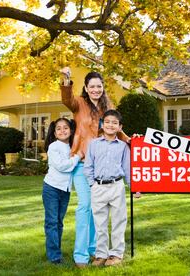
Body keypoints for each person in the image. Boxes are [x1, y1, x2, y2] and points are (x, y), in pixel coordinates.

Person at [60, 68, 129, 267]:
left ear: (103, 87)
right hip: (82, 163)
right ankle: (81, 254)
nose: (96, 89)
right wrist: (66, 79)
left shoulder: (108, 106)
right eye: (92, 86)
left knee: (95, 210)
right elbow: (67, 99)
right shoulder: (78, 103)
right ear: (86, 88)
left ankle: (95, 251)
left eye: (99, 86)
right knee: (85, 207)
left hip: (104, 165)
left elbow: (116, 128)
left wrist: (128, 140)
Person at [83, 109, 130, 267]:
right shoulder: (94, 144)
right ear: (103, 124)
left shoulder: (123, 146)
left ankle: (116, 254)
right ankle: (101, 254)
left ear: (119, 127)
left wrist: (134, 187)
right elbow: (88, 166)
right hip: (99, 187)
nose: (111, 125)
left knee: (119, 221)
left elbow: (127, 168)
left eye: (114, 123)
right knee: (100, 223)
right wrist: (92, 184)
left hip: (117, 186)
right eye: (108, 122)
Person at [42, 118, 82, 264]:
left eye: (65, 127)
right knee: (52, 222)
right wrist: (77, 157)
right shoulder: (54, 147)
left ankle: (56, 252)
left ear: (71, 130)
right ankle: (54, 256)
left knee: (59, 222)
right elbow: (62, 166)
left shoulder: (72, 146)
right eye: (59, 128)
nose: (62, 130)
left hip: (64, 190)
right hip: (51, 188)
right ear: (55, 132)